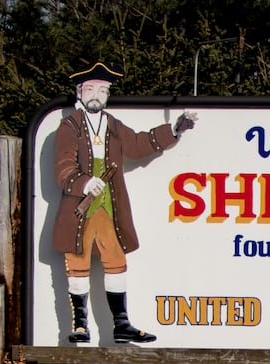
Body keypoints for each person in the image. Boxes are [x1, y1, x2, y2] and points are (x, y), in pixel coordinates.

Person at [52, 60, 197, 344]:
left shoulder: (112, 125)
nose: (96, 94)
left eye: (102, 89)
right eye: (91, 88)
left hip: (108, 207)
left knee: (116, 261)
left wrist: (175, 131)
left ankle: (121, 324)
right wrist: (82, 181)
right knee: (78, 264)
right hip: (78, 211)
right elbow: (62, 167)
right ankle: (80, 325)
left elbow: (138, 144)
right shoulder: (69, 127)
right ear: (79, 91)